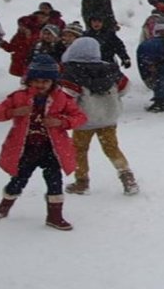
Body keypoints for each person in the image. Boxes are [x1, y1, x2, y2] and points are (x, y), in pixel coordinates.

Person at [0, 55, 87, 230]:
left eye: (45, 81)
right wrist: (13, 112)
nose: (40, 85)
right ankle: (5, 204)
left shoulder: (62, 98)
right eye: (36, 81)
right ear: (29, 80)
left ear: (53, 82)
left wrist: (61, 122)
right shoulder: (18, 97)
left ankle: (54, 216)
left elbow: (80, 117)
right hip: (26, 148)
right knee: (19, 179)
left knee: (54, 181)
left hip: (52, 149)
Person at [60, 38, 139, 196]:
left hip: (84, 119)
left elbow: (68, 95)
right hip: (108, 117)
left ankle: (82, 182)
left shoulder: (72, 72)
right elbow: (125, 88)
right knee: (112, 148)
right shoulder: (110, 69)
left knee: (79, 150)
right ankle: (127, 177)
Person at [136, 22, 164, 112]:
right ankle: (163, 100)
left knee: (159, 83)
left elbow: (143, 57)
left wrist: (149, 66)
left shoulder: (147, 43)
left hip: (158, 67)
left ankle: (160, 102)